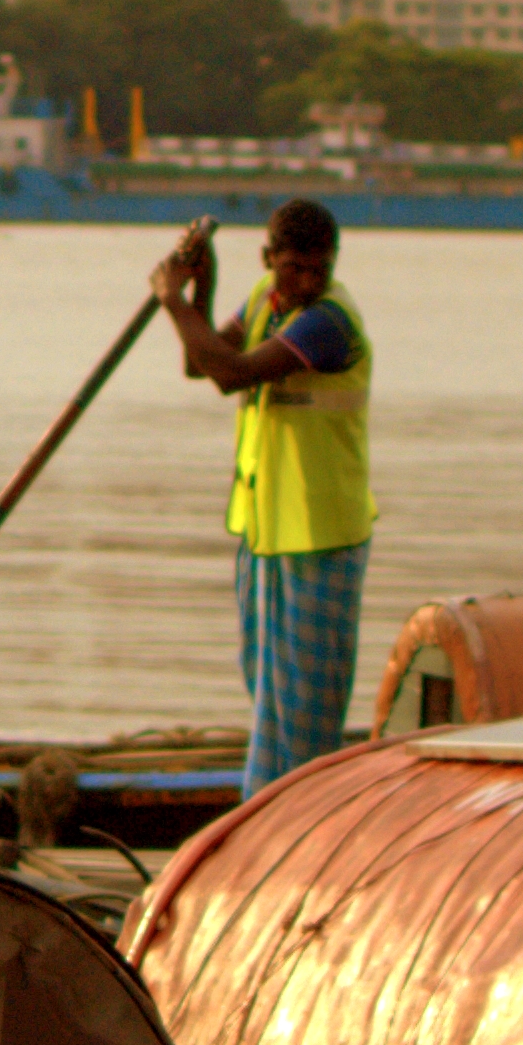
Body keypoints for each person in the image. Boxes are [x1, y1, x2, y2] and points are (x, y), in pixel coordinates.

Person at [158, 196, 370, 796]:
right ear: (268, 260)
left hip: (323, 536)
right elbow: (201, 364)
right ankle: (268, 816)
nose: (304, 281)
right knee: (267, 698)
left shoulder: (328, 322)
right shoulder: (263, 302)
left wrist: (171, 300)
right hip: (269, 533)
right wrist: (204, 288)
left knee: (303, 714)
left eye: (316, 268)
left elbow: (231, 374)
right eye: (291, 268)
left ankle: (297, 823)